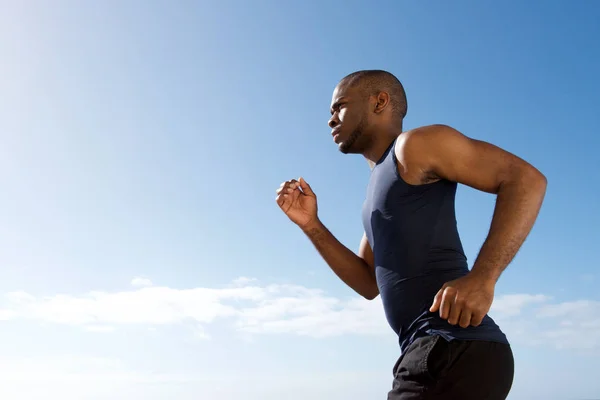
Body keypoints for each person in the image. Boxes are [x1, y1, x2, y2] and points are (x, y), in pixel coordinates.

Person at [275, 70, 547, 399]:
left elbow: (526, 180)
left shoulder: (414, 146)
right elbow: (368, 282)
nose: (331, 120)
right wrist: (311, 225)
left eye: (340, 107)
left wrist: (484, 277)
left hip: (449, 347)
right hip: (440, 350)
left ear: (379, 102)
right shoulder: (375, 192)